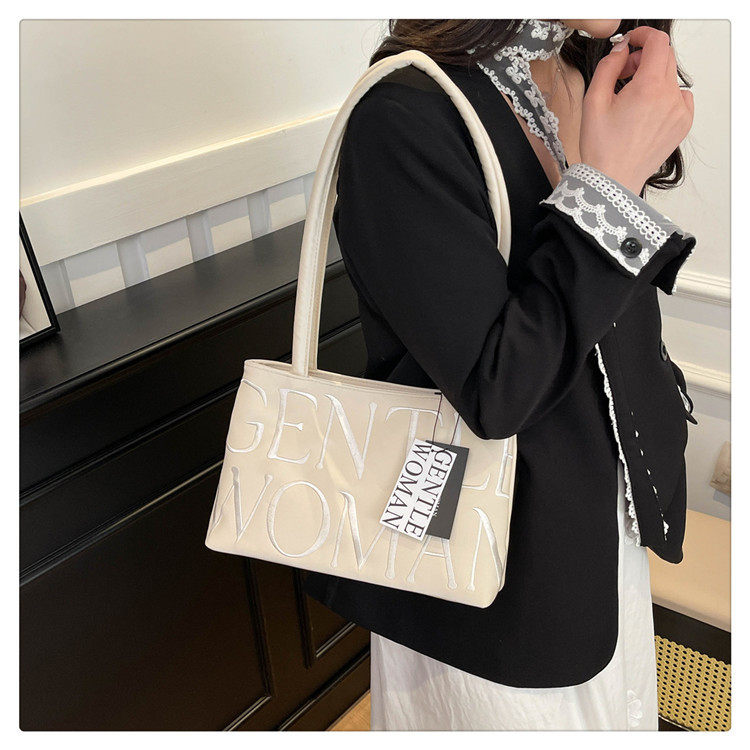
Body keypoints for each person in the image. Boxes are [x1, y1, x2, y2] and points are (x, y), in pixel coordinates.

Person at [304, 18, 697, 730]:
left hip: (598, 534)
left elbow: (602, 315)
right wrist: (611, 188)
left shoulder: (585, 73)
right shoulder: (404, 115)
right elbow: (498, 388)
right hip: (483, 578)